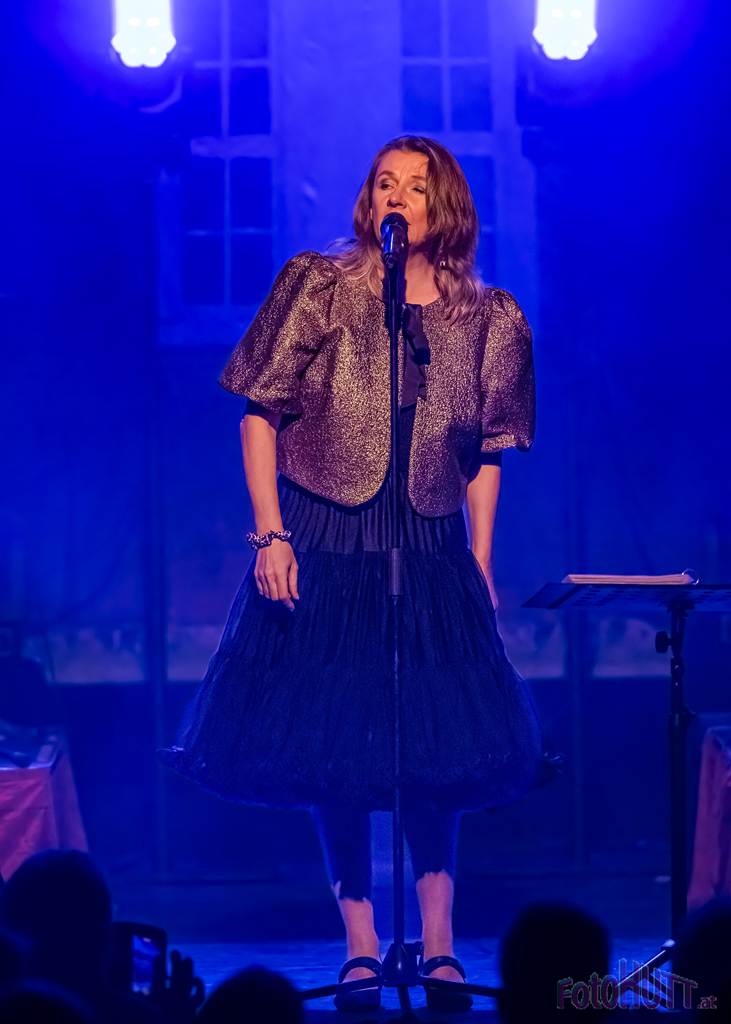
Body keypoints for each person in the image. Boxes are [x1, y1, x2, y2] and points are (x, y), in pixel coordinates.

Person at [162, 134, 545, 1012]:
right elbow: (259, 412)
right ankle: (361, 946)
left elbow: (487, 452)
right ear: (368, 201)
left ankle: (439, 945)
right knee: (332, 746)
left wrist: (480, 560)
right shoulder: (318, 285)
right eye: (382, 182)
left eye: (415, 185)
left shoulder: (488, 317)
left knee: (437, 750)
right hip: (325, 536)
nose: (395, 196)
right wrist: (269, 535)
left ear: (446, 205)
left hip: (429, 543)